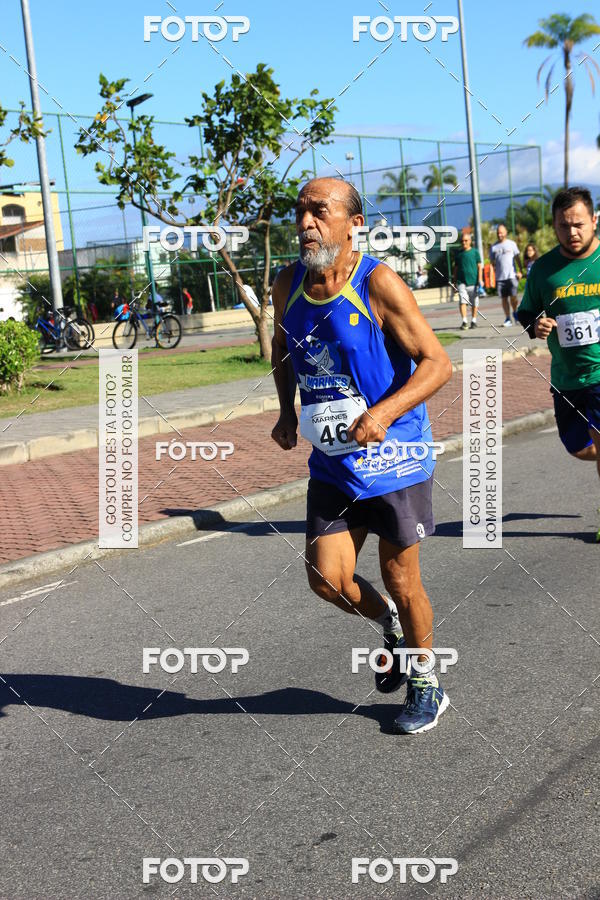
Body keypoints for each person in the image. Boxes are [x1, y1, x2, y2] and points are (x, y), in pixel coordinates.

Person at [271, 177, 453, 734]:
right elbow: (281, 348)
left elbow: (438, 363)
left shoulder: (378, 284)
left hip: (395, 459)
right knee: (326, 580)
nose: (306, 222)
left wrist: (383, 414)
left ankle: (427, 682)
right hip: (334, 462)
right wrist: (285, 411)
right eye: (301, 212)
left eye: (319, 211)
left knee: (401, 578)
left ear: (353, 224)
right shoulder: (288, 284)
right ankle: (390, 625)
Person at [517, 186, 600, 541]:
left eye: (579, 224)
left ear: (594, 220)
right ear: (554, 227)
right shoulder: (544, 270)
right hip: (566, 377)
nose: (572, 232)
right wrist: (535, 325)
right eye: (564, 226)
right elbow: (525, 312)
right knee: (578, 447)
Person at [490, 224, 522, 326]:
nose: (499, 235)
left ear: (506, 232)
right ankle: (508, 318)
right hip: (500, 278)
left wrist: (520, 270)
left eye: (501, 233)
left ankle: (515, 312)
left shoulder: (512, 244)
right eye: (498, 233)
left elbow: (517, 258)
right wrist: (493, 275)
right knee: (504, 298)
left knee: (513, 297)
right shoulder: (494, 247)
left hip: (512, 276)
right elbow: (492, 263)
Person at [453, 229, 483, 330]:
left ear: (470, 241)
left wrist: (480, 279)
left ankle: (474, 321)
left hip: (474, 282)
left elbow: (479, 267)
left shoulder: (475, 252)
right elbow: (455, 269)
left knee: (475, 302)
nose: (464, 242)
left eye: (466, 240)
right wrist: (454, 283)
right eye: (462, 241)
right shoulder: (459, 254)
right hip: (461, 282)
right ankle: (464, 321)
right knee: (463, 301)